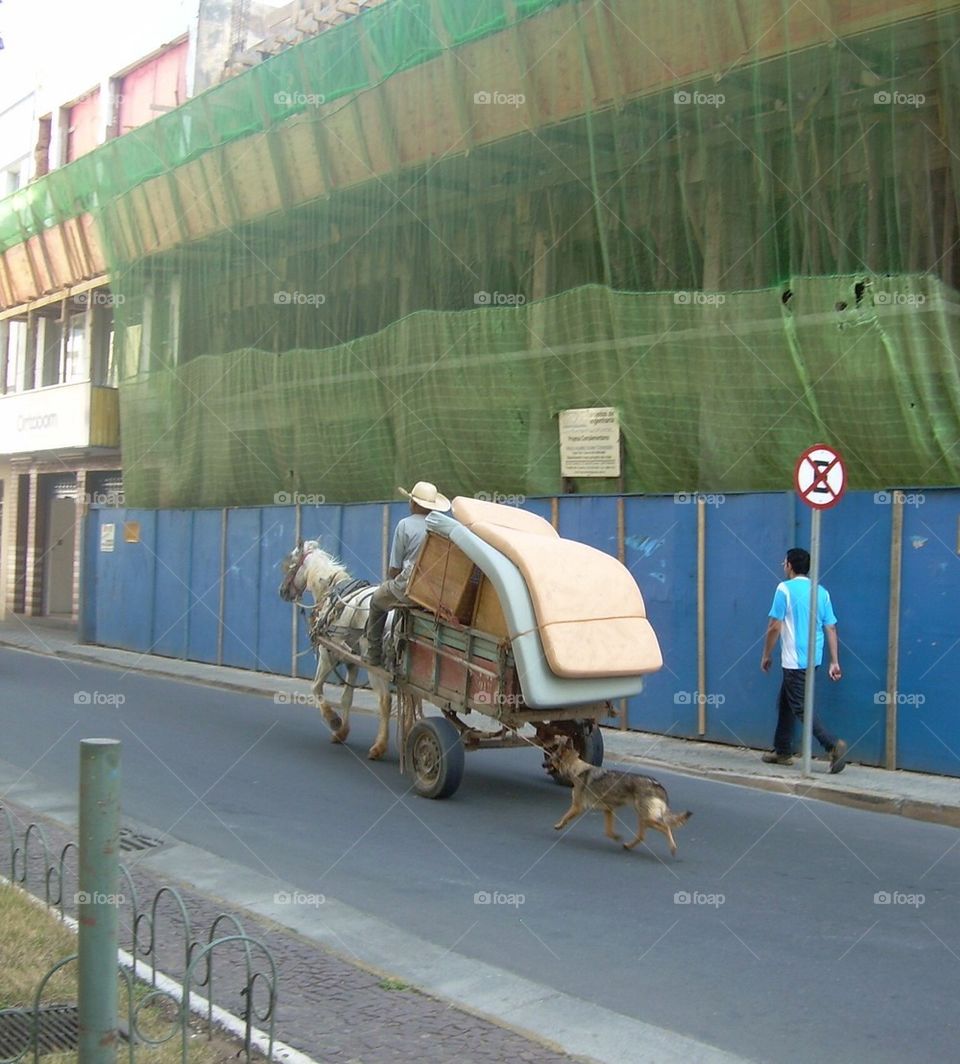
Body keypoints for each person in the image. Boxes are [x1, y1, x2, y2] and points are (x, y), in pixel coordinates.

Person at [760, 547, 848, 772]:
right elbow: (830, 627)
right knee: (786, 702)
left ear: (789, 565)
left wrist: (767, 654)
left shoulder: (784, 590)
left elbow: (774, 626)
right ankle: (782, 751)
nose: (783, 565)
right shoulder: (821, 592)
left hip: (794, 659)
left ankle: (832, 746)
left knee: (800, 706)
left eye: (784, 562)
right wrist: (834, 661)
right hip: (813, 658)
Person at [363, 480, 451, 668]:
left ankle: (374, 654)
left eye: (411, 500)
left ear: (415, 504)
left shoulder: (405, 525)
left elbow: (394, 569)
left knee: (377, 600)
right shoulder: (443, 527)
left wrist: (393, 578)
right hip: (436, 594)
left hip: (409, 588)